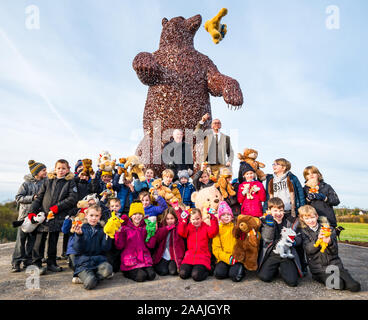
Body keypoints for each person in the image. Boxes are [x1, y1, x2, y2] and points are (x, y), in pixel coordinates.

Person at [30, 159, 78, 274]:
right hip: (44, 215)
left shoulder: (70, 182)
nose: (61, 170)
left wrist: (57, 207)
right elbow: (39, 197)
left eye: (63, 168)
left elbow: (72, 198)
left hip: (58, 216)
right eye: (59, 168)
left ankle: (51, 263)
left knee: (53, 240)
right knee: (40, 240)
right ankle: (37, 264)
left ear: (67, 170)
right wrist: (32, 212)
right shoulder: (48, 181)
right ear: (55, 169)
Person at [298, 205, 361, 292]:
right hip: (319, 269)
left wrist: (330, 242)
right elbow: (308, 250)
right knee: (339, 284)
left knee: (355, 287)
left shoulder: (330, 229)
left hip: (335, 265)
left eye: (312, 217)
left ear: (316, 216)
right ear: (302, 219)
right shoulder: (303, 232)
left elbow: (335, 251)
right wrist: (318, 240)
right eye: (307, 219)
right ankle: (317, 277)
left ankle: (342, 273)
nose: (311, 220)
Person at [257, 197, 303, 287]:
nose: (278, 213)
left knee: (292, 282)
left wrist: (293, 241)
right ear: (269, 211)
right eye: (275, 211)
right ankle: (275, 269)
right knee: (264, 277)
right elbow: (267, 239)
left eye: (281, 210)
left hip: (286, 253)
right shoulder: (264, 221)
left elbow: (299, 236)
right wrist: (269, 225)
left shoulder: (290, 221)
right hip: (272, 253)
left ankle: (285, 268)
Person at [11, 160, 47, 272]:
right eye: (43, 170)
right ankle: (16, 262)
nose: (46, 172)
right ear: (36, 172)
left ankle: (27, 261)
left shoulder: (44, 183)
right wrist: (32, 198)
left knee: (32, 241)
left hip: (35, 218)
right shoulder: (25, 184)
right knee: (20, 241)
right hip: (24, 217)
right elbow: (18, 197)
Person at [72, 205, 113, 290]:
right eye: (91, 215)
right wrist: (79, 235)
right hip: (84, 263)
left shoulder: (102, 229)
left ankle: (90, 277)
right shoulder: (81, 228)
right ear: (86, 215)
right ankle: (89, 278)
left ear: (100, 216)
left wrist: (108, 235)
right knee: (90, 284)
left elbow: (106, 248)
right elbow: (77, 249)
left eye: (96, 216)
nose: (94, 218)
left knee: (108, 269)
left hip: (98, 261)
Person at [114, 200, 156, 282]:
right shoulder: (125, 228)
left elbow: (151, 245)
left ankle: (142, 270)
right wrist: (118, 233)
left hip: (144, 259)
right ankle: (127, 272)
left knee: (151, 275)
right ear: (131, 216)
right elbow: (119, 246)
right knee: (141, 277)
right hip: (130, 260)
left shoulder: (145, 227)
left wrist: (152, 233)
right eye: (135, 214)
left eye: (140, 214)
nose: (137, 216)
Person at [178, 207, 219, 281]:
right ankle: (194, 269)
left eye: (198, 219)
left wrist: (213, 218)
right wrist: (183, 220)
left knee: (196, 276)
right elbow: (181, 232)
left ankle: (208, 269)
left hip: (202, 256)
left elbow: (213, 232)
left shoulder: (205, 227)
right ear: (190, 220)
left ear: (201, 218)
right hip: (190, 256)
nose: (196, 221)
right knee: (183, 274)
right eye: (193, 219)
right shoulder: (188, 227)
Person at [212, 201, 245, 282]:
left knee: (235, 276)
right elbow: (216, 249)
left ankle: (239, 269)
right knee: (219, 274)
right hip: (224, 257)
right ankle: (229, 269)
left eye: (228, 214)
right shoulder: (218, 229)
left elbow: (242, 242)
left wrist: (239, 256)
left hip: (236, 257)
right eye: (223, 215)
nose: (226, 217)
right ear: (219, 217)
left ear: (232, 216)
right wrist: (227, 258)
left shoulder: (236, 227)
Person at [147, 207, 186, 276]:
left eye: (172, 218)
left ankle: (170, 266)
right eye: (167, 219)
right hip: (164, 255)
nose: (170, 221)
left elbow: (182, 226)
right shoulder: (162, 226)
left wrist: (178, 210)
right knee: (163, 271)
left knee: (173, 272)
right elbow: (158, 238)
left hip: (174, 256)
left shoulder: (178, 226)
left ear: (176, 218)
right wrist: (166, 229)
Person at [194, 113, 234, 179]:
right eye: (214, 123)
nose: (216, 124)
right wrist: (202, 120)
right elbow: (197, 132)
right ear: (211, 126)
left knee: (221, 184)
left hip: (221, 166)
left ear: (220, 125)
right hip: (208, 165)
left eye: (218, 123)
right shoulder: (206, 135)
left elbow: (231, 152)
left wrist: (229, 161)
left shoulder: (226, 137)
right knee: (209, 184)